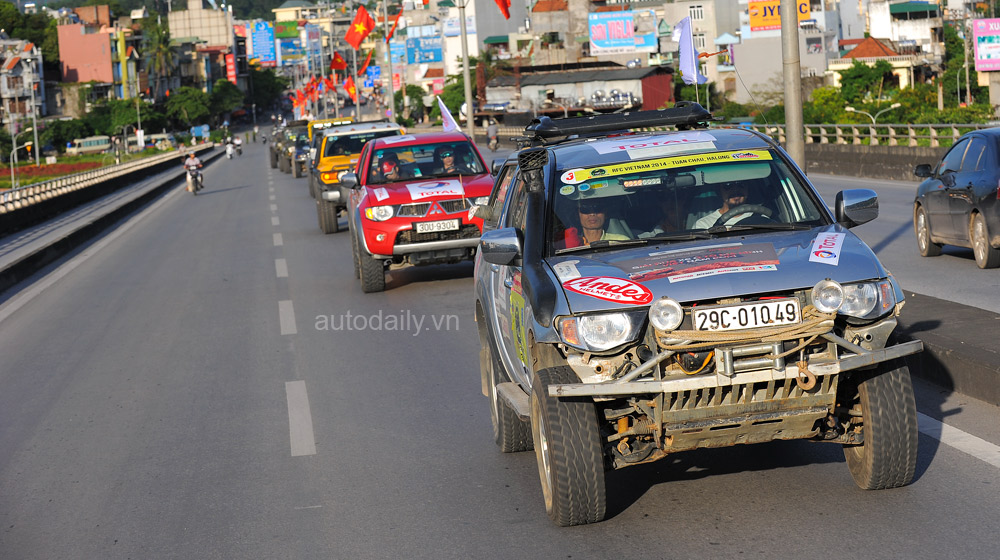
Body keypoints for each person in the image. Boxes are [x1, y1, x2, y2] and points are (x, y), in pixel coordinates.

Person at [561, 199, 631, 248]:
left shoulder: (620, 241)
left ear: (605, 214)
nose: (592, 214)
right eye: (585, 209)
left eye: (598, 208)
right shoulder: (570, 244)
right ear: (577, 215)